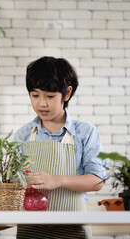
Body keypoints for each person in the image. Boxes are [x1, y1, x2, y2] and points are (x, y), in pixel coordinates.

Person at [14, 56, 106, 239]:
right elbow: (12, 182)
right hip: (31, 232)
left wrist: (57, 180)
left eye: (49, 96)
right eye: (35, 95)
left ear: (67, 93)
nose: (42, 103)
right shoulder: (23, 135)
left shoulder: (84, 133)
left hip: (73, 230)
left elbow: (97, 181)